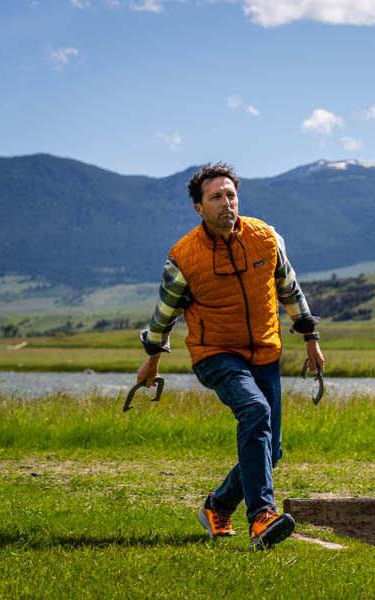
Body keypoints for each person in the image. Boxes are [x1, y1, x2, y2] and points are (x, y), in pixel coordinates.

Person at [136, 162, 324, 550]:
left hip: (265, 351)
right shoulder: (184, 257)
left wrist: (311, 340)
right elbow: (165, 314)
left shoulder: (266, 238)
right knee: (256, 412)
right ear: (199, 208)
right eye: (216, 197)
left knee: (270, 452)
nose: (226, 203)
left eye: (231, 195)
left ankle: (217, 508)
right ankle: (261, 518)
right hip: (215, 354)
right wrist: (152, 359)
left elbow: (289, 289)